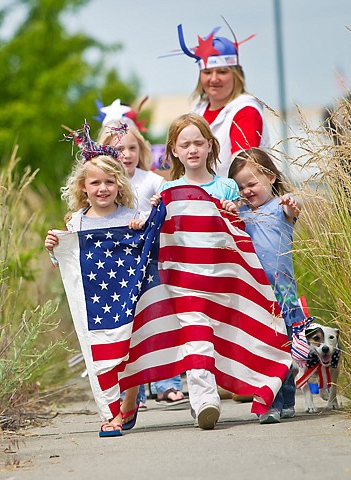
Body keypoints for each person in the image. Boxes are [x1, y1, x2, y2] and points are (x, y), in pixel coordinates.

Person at [45, 127, 146, 437]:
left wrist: (143, 228)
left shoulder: (132, 216)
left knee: (130, 354)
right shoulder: (76, 222)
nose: (103, 188)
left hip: (129, 298)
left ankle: (130, 399)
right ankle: (111, 412)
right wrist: (54, 249)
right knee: (102, 354)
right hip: (95, 303)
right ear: (83, 187)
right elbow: (69, 264)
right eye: (95, 183)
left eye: (109, 182)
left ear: (120, 184)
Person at [150, 113, 240, 429]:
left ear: (209, 146)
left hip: (222, 275)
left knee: (221, 335)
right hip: (185, 277)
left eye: (198, 143)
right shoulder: (168, 190)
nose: (192, 150)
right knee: (196, 334)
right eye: (184, 144)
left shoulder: (227, 187)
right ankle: (204, 400)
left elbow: (240, 231)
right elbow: (159, 232)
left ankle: (249, 385)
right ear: (174, 150)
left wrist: (234, 211)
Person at [97, 116, 185, 404]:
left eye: (132, 148)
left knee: (156, 316)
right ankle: (129, 393)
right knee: (125, 324)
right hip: (119, 265)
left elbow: (166, 215)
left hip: (151, 260)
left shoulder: (153, 181)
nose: (126, 154)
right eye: (118, 149)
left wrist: (147, 218)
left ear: (141, 150)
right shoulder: (104, 183)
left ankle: (166, 381)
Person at [228, 147, 305, 424]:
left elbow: (290, 211)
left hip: (283, 292)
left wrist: (289, 207)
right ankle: (268, 402)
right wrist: (232, 212)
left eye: (252, 183)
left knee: (284, 349)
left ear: (271, 177)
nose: (247, 190)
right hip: (256, 294)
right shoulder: (243, 214)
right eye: (240, 186)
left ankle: (286, 397)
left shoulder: (281, 207)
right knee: (264, 349)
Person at [176, 23, 271, 178]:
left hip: (234, 197)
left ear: (236, 74)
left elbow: (242, 166)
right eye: (207, 72)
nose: (214, 79)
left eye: (222, 71)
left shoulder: (245, 110)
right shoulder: (198, 110)